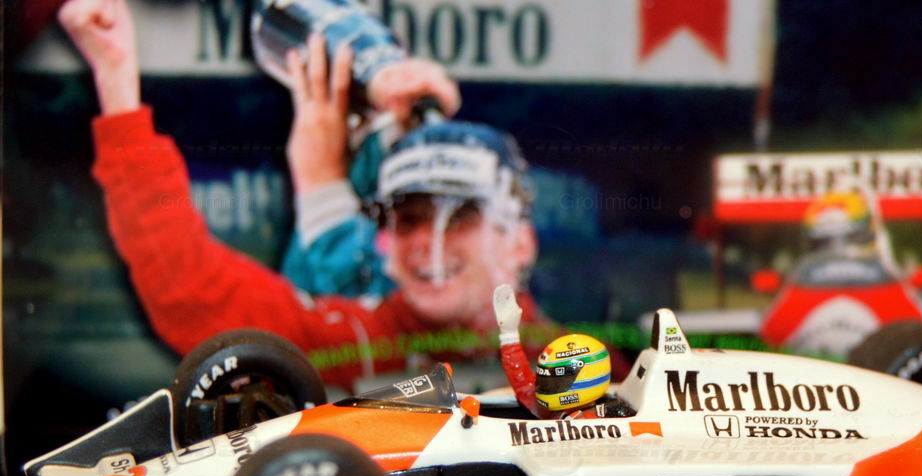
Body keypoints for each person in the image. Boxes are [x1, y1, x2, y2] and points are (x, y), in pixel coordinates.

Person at [57, 0, 554, 390]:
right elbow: (186, 285)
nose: (430, 241)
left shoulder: (576, 357)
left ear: (520, 242)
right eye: (408, 219)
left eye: (459, 216)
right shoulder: (352, 341)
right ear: (385, 243)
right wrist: (117, 79)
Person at [493, 285, 634, 420]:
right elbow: (524, 386)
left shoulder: (613, 418)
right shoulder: (550, 411)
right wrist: (509, 335)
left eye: (554, 380)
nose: (542, 387)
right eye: (544, 380)